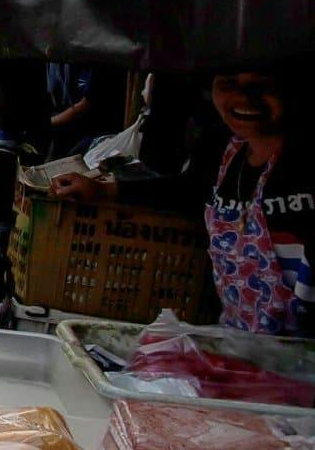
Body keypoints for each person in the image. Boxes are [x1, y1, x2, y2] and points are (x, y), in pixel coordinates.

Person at [54, 68, 311, 336]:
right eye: (228, 83)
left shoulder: (303, 163)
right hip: (240, 339)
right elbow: (187, 192)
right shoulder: (222, 149)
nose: (245, 98)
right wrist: (103, 191)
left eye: (263, 84)